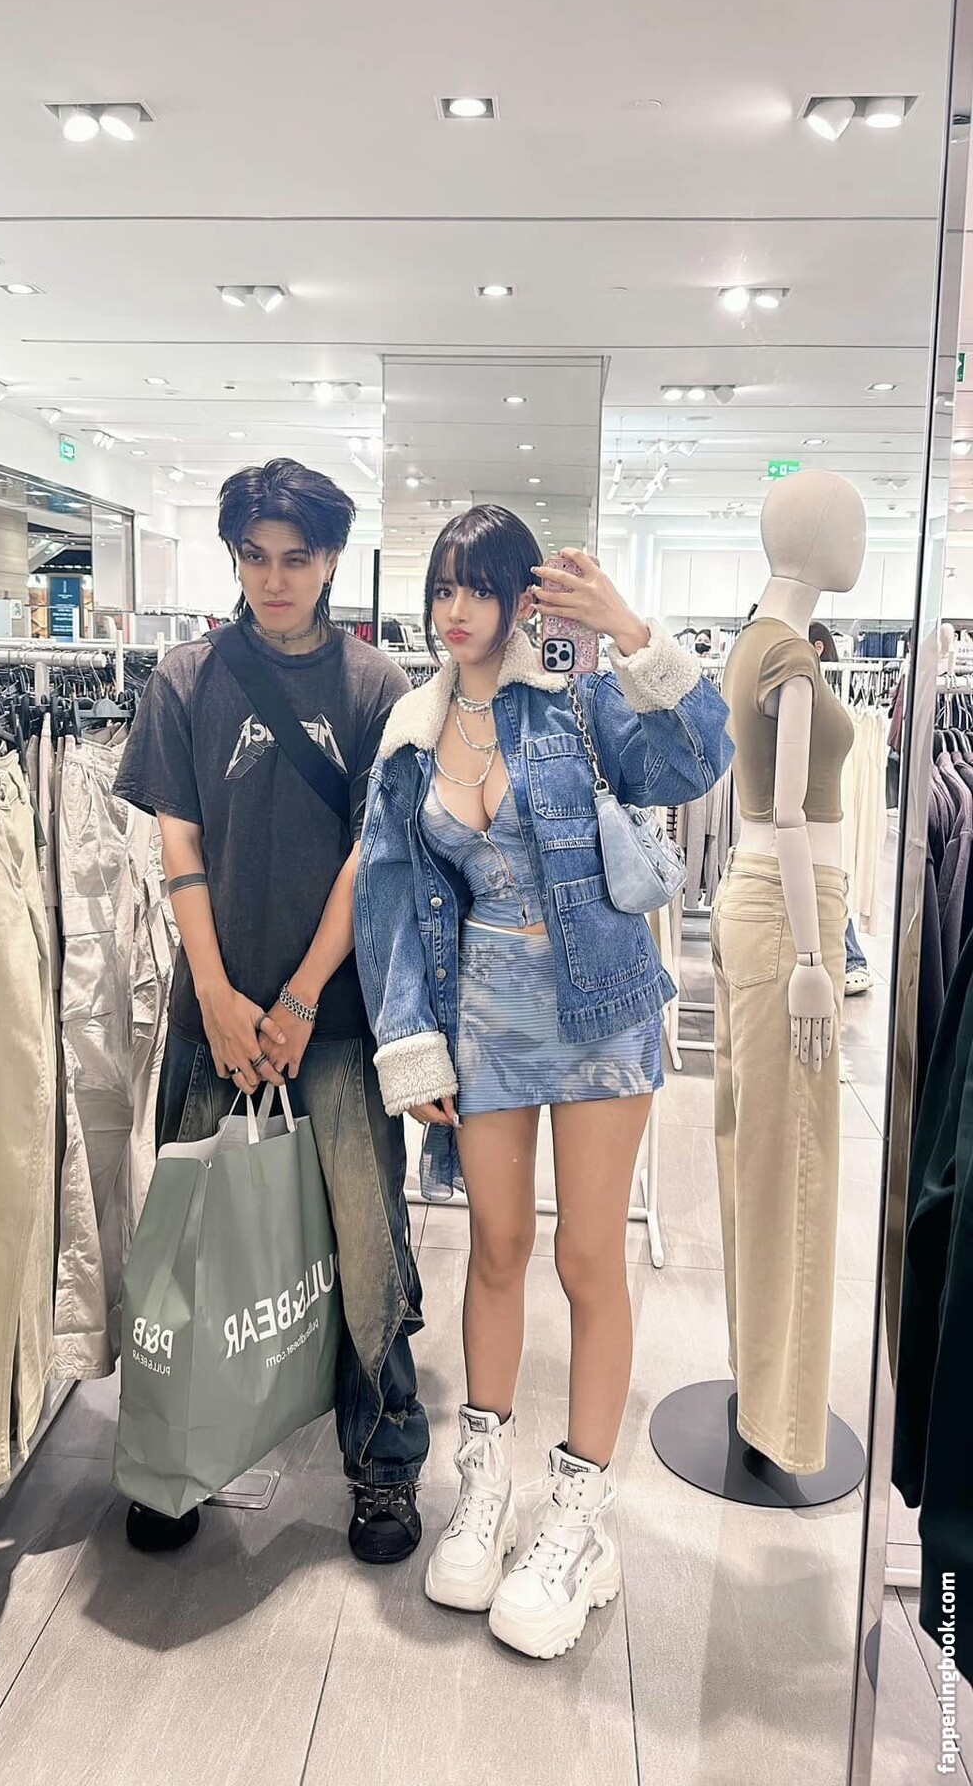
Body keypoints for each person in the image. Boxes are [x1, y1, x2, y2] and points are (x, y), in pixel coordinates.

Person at [354, 505, 732, 1659]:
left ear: (524, 600)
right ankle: (486, 1486)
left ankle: (580, 1514)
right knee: (497, 1249)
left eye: (478, 587)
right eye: (442, 588)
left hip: (601, 1005)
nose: (455, 610)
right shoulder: (411, 735)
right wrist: (410, 1040)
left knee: (586, 1258)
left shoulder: (573, 703)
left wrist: (630, 630)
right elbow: (388, 897)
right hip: (485, 1021)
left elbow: (698, 758)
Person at [113, 458, 428, 1563]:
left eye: (297, 558)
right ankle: (173, 1457)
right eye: (255, 557)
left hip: (333, 1021)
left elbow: (369, 855)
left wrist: (296, 1000)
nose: (275, 579)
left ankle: (383, 1463)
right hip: (215, 1012)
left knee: (367, 1248)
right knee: (194, 1240)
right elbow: (180, 843)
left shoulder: (378, 689)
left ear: (331, 559)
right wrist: (214, 990)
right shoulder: (185, 680)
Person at [809, 622, 872, 995]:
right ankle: (848, 958)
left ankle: (852, 959)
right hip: (816, 809)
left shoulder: (827, 697)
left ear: (817, 649)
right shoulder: (815, 693)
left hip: (825, 808)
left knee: (828, 879)